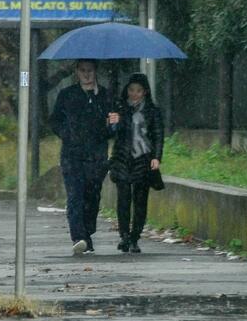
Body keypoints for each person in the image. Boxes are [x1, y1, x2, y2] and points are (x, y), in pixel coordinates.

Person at [49, 59, 118, 256]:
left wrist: (114, 124)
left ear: (95, 71)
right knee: (75, 196)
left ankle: (87, 233)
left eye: (90, 70)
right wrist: (67, 134)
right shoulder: (67, 95)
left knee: (92, 196)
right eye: (82, 70)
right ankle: (79, 237)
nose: (86, 74)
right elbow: (54, 121)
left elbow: (112, 129)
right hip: (72, 155)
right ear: (77, 72)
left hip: (97, 156)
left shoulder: (105, 96)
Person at [109, 72, 164, 254]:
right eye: (131, 90)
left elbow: (158, 135)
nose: (134, 94)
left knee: (140, 201)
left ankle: (135, 237)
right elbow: (112, 133)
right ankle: (124, 236)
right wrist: (113, 123)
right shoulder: (120, 108)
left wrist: (156, 157)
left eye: (138, 91)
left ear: (145, 92)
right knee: (123, 199)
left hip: (143, 159)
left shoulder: (153, 111)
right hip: (123, 158)